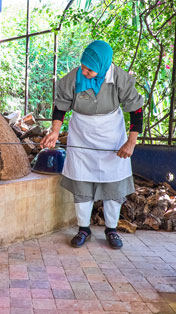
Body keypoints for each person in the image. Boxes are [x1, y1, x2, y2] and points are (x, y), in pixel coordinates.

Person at [40, 40, 143, 249]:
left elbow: (136, 110)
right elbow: (60, 107)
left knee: (113, 184)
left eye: (90, 69)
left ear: (104, 66)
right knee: (82, 182)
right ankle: (83, 229)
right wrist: (55, 131)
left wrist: (131, 142)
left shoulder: (120, 79)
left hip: (111, 133)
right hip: (82, 134)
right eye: (84, 66)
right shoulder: (73, 78)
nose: (85, 72)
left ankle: (111, 229)